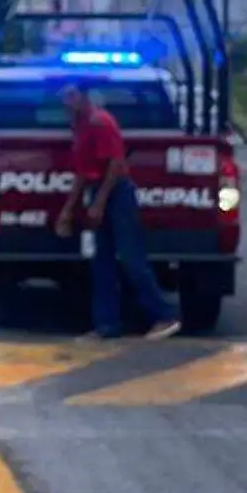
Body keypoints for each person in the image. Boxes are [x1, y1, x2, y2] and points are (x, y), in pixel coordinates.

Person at [54, 84, 181, 340]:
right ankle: (107, 324)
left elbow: (116, 164)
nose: (66, 102)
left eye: (71, 96)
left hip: (117, 193)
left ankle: (164, 315)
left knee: (132, 258)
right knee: (102, 263)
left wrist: (100, 202)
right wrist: (68, 210)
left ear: (83, 96)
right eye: (63, 97)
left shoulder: (100, 122)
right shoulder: (79, 126)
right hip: (96, 189)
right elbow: (82, 172)